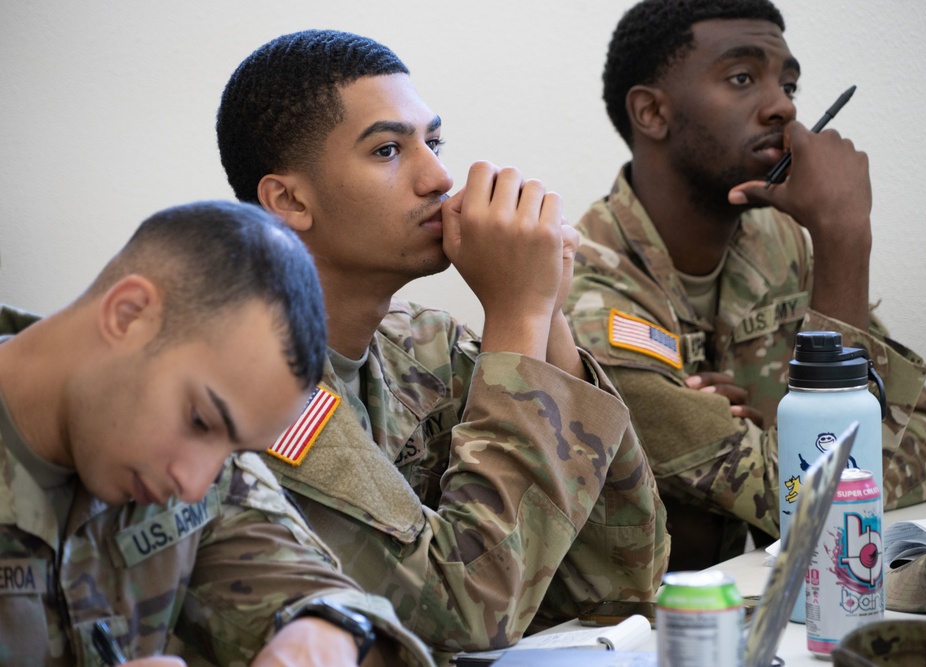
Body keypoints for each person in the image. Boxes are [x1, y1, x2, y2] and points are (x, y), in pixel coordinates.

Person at [215, 30, 668, 653]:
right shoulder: (252, 388)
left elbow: (621, 579)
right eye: (387, 150)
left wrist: (547, 313)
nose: (438, 176)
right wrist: (515, 313)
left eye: (433, 141)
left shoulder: (425, 346)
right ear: (289, 199)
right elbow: (462, 616)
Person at [564, 0, 926, 571]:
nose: (783, 108)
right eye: (743, 78)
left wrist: (777, 441)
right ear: (651, 111)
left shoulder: (780, 244)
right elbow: (811, 504)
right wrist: (844, 236)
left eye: (790, 85)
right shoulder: (589, 296)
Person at [0, 201, 433, 666]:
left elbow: (329, 601)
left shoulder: (203, 467)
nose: (192, 485)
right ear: (127, 315)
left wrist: (329, 633)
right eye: (200, 421)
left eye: (235, 448)